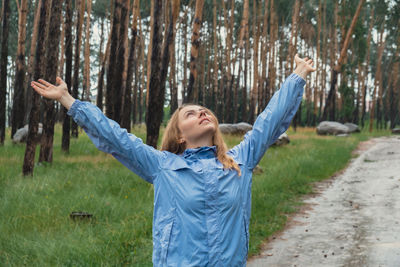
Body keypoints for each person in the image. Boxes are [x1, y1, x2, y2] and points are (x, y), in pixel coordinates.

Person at [31, 54, 315, 266]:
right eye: (190, 114)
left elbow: (270, 120)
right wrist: (69, 101)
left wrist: (298, 74)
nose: (202, 113)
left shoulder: (240, 161)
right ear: (179, 136)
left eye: (204, 110)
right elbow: (115, 138)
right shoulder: (163, 166)